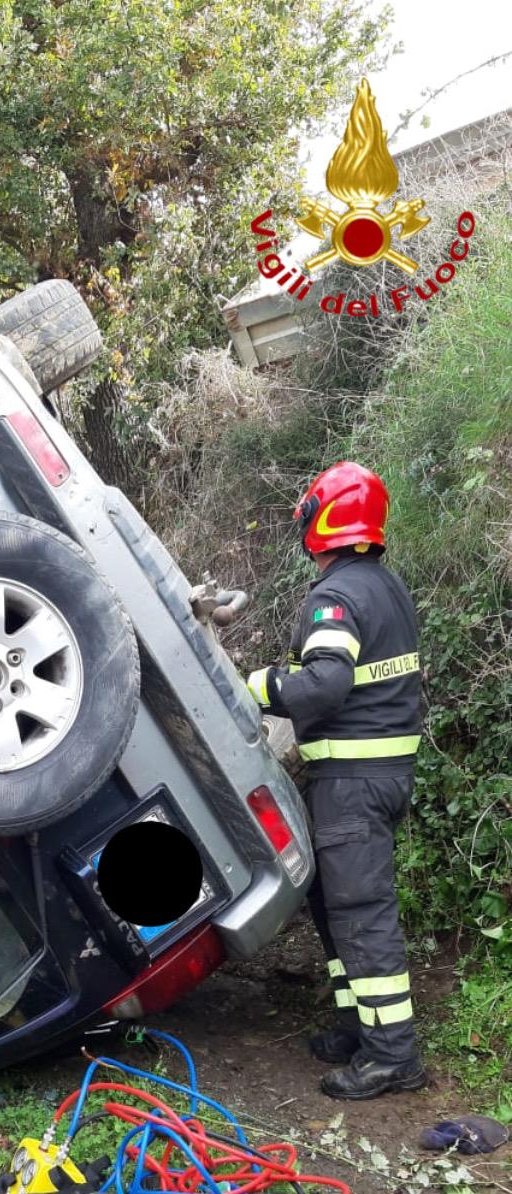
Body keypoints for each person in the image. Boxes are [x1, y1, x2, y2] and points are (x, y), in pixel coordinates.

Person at [247, 461, 426, 1100]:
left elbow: (325, 684)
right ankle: (358, 1027)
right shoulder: (385, 587)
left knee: (361, 913)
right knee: (333, 903)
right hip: (376, 776)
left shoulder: (336, 596)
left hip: (353, 780)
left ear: (318, 521)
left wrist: (257, 686)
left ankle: (393, 1055)